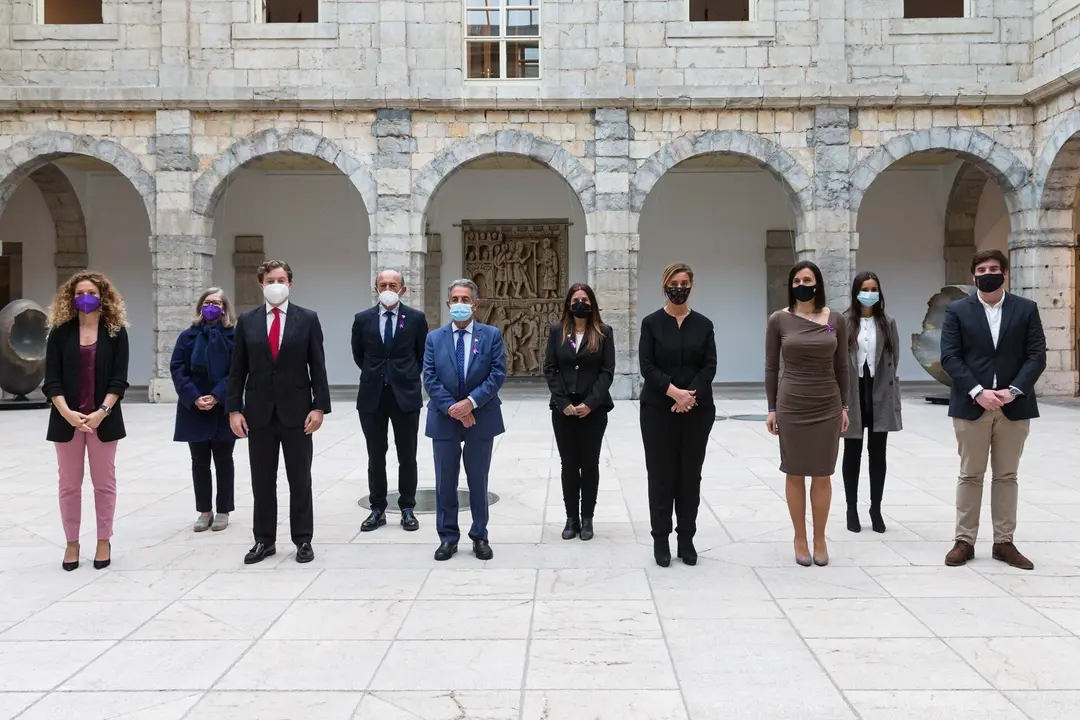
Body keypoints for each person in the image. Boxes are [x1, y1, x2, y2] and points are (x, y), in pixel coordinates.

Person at [940, 249, 1046, 570]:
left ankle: (1004, 542)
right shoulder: (958, 310)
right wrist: (978, 391)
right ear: (973, 276)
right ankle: (964, 541)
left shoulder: (1025, 308)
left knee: (1007, 475)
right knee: (970, 474)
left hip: (1015, 404)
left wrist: (1014, 391)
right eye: (983, 269)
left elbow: (1036, 355)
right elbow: (950, 356)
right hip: (972, 404)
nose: (989, 273)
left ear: (1005, 273)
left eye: (994, 268)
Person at [227, 260, 331, 565]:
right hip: (258, 413)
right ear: (261, 284)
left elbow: (318, 365)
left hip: (297, 412)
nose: (276, 285)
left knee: (300, 479)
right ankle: (264, 539)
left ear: (290, 283)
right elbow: (237, 370)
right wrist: (233, 410)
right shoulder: (247, 321)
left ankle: (303, 539)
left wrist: (319, 407)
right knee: (262, 480)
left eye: (281, 280)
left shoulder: (307, 319)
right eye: (270, 280)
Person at [42, 271, 130, 571]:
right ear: (71, 298)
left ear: (102, 296)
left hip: (103, 419)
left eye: (91, 292)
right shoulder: (60, 332)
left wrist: (101, 412)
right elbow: (51, 379)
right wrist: (67, 413)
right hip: (66, 420)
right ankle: (72, 542)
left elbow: (119, 379)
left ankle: (104, 539)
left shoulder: (115, 332)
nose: (85, 298)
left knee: (104, 484)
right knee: (69, 485)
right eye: (79, 293)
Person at [765, 260, 849, 568]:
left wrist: (845, 406)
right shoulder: (779, 320)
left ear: (818, 284)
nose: (802, 285)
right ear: (791, 285)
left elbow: (842, 365)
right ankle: (800, 537)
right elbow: (771, 366)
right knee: (795, 470)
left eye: (808, 279)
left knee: (823, 472)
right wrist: (772, 408)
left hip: (827, 402)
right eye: (797, 280)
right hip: (792, 403)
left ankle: (820, 538)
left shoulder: (835, 319)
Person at [423, 279, 506, 562]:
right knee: (445, 482)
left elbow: (497, 374)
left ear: (476, 304)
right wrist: (453, 408)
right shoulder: (434, 338)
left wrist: (470, 403)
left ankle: (480, 535)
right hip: (443, 418)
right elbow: (430, 378)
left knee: (478, 480)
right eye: (455, 300)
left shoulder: (491, 335)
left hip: (480, 418)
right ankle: (448, 537)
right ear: (448, 304)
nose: (460, 304)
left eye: (465, 299)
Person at [639, 263, 716, 568]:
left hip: (697, 411)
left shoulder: (704, 324)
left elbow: (709, 366)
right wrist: (674, 392)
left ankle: (686, 538)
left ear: (691, 286)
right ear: (664, 285)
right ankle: (661, 539)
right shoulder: (651, 323)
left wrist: (689, 396)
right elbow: (647, 366)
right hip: (658, 410)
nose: (679, 288)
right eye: (674, 283)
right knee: (661, 476)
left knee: (689, 476)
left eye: (684, 283)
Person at [352, 269, 427, 533]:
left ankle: (407, 508)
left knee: (407, 455)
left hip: (405, 395)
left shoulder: (416, 319)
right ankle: (377, 508)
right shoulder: (362, 319)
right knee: (375, 455)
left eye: (392, 285)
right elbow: (359, 355)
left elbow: (421, 354)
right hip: (372, 396)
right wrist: (378, 374)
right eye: (382, 284)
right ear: (376, 288)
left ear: (402, 289)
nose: (387, 289)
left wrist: (403, 375)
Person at [543, 283, 615, 541]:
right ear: (568, 304)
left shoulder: (604, 332)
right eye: (576, 299)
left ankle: (587, 519)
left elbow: (607, 371)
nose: (580, 303)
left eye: (584, 299)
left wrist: (590, 403)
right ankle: (571, 518)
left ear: (592, 303)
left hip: (593, 410)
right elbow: (550, 368)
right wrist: (563, 402)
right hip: (564, 410)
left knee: (590, 463)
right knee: (569, 464)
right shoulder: (557, 331)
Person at [171, 288, 237, 533]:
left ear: (224, 308)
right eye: (208, 302)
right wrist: (194, 396)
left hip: (223, 407)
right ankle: (204, 511)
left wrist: (218, 395)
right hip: (194, 407)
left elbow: (238, 370)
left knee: (224, 460)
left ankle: (223, 510)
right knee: (199, 461)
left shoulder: (233, 336)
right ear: (200, 306)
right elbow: (178, 368)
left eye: (217, 303)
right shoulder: (187, 336)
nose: (212, 307)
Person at [840, 272, 902, 534]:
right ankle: (851, 508)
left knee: (878, 454)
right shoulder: (843, 321)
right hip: (853, 391)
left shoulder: (888, 322)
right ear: (856, 292)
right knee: (852, 452)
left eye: (874, 288)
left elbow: (894, 358)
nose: (869, 293)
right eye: (865, 289)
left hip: (879, 391)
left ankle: (875, 508)